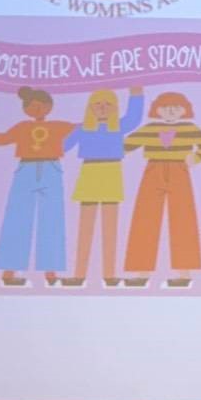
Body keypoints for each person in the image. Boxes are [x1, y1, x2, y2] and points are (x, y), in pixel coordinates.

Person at [0, 86, 75, 287]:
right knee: (17, 218)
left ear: (49, 106)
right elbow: (3, 139)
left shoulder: (58, 126)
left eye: (42, 105)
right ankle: (9, 271)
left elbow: (82, 127)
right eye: (33, 106)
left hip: (51, 168)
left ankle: (51, 272)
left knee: (52, 219)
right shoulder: (21, 127)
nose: (38, 109)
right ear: (26, 109)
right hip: (26, 169)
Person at [121, 91, 201, 288]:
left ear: (184, 110)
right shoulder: (150, 128)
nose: (171, 111)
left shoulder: (190, 128)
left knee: (183, 219)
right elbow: (126, 145)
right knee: (145, 219)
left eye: (176, 107)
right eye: (166, 107)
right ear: (158, 110)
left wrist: (195, 158)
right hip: (153, 169)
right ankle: (141, 273)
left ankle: (184, 274)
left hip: (179, 171)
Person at [59, 86, 144, 288]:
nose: (103, 108)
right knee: (85, 227)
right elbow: (61, 146)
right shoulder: (81, 128)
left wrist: (136, 94)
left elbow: (134, 118)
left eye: (108, 104)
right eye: (98, 104)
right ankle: (79, 275)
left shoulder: (119, 126)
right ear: (90, 107)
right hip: (89, 172)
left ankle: (109, 275)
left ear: (115, 107)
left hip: (111, 172)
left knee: (109, 227)